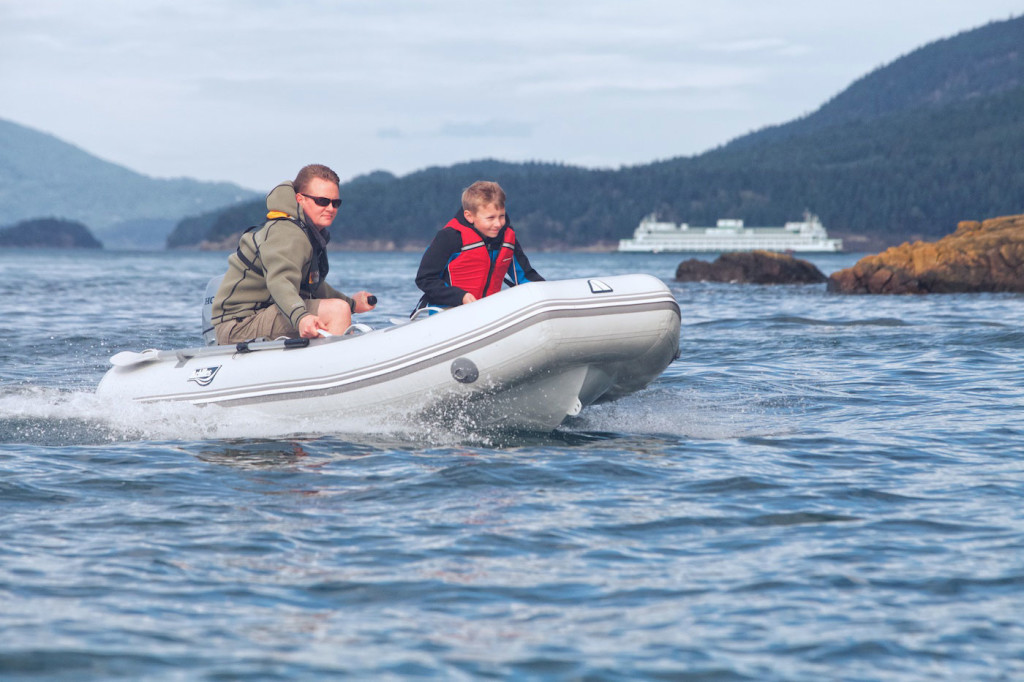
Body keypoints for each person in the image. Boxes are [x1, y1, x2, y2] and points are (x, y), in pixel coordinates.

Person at [211, 164, 375, 344]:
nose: (330, 208)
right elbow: (280, 282)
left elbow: (313, 285)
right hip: (239, 325)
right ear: (300, 199)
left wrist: (352, 304)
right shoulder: (287, 232)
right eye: (322, 201)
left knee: (341, 308)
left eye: (336, 203)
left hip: (264, 313)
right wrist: (301, 317)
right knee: (337, 311)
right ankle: (333, 366)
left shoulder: (308, 232)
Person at [413, 180, 543, 312]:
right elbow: (425, 279)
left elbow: (526, 276)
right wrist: (461, 297)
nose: (498, 223)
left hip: (487, 313)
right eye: (490, 218)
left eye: (501, 216)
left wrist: (548, 293)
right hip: (448, 311)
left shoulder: (507, 238)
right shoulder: (449, 238)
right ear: (469, 216)